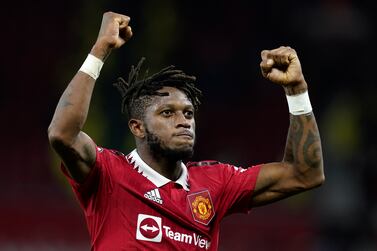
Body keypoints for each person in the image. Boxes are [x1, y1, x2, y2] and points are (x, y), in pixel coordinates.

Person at [48, 11, 324, 251]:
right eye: (167, 113)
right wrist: (100, 50)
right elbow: (62, 134)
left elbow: (305, 174)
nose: (184, 121)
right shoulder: (108, 174)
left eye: (189, 113)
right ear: (137, 127)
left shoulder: (215, 183)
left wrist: (296, 90)